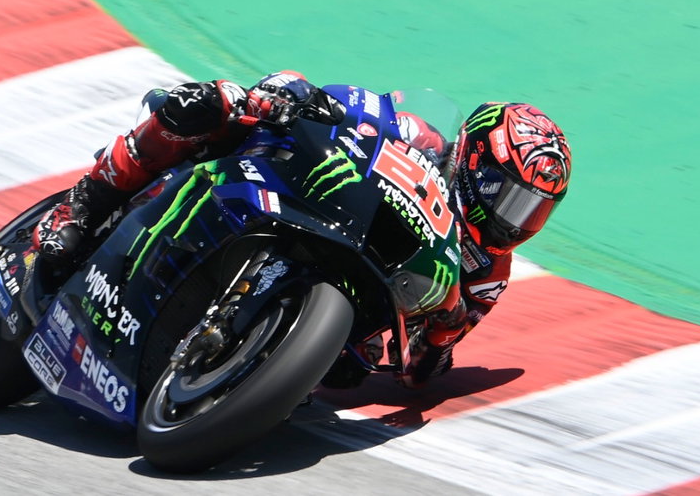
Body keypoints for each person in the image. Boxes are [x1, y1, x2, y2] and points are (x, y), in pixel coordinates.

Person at [31, 71, 572, 388]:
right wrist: (295, 93)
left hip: (356, 293)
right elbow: (347, 102)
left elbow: (422, 365)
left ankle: (241, 366)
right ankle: (85, 202)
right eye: (512, 197)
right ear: (476, 160)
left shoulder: (489, 269)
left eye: (534, 210)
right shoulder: (419, 135)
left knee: (349, 373)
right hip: (299, 197)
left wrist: (444, 332)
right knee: (214, 104)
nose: (515, 219)